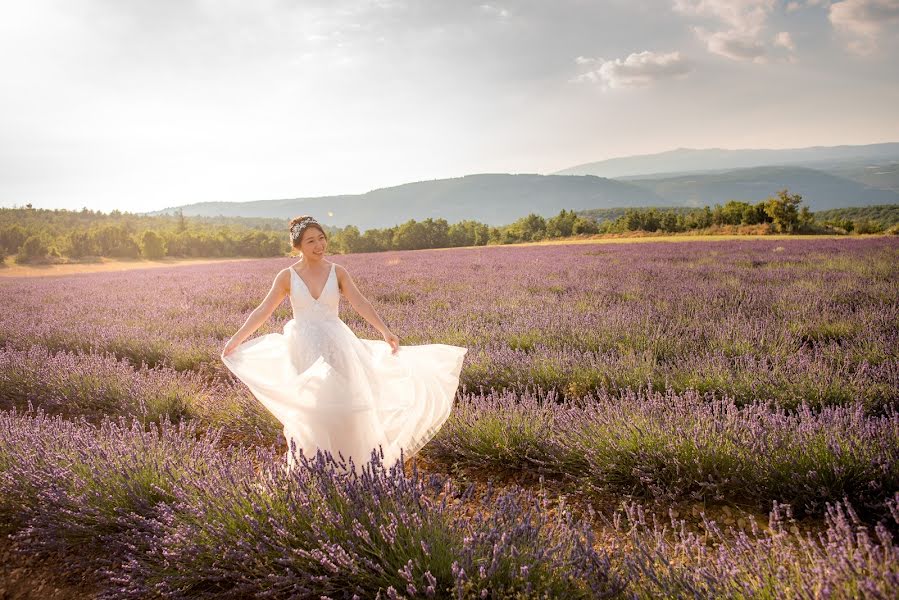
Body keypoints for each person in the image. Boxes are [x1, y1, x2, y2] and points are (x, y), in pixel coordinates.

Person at [221, 215, 467, 471]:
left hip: (337, 345)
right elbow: (263, 310)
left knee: (347, 403)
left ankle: (354, 466)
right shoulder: (287, 276)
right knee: (311, 408)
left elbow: (360, 302)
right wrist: (237, 339)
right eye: (311, 241)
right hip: (303, 348)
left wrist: (384, 330)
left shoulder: (337, 272)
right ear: (298, 247)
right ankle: (313, 467)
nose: (319, 245)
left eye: (321, 238)